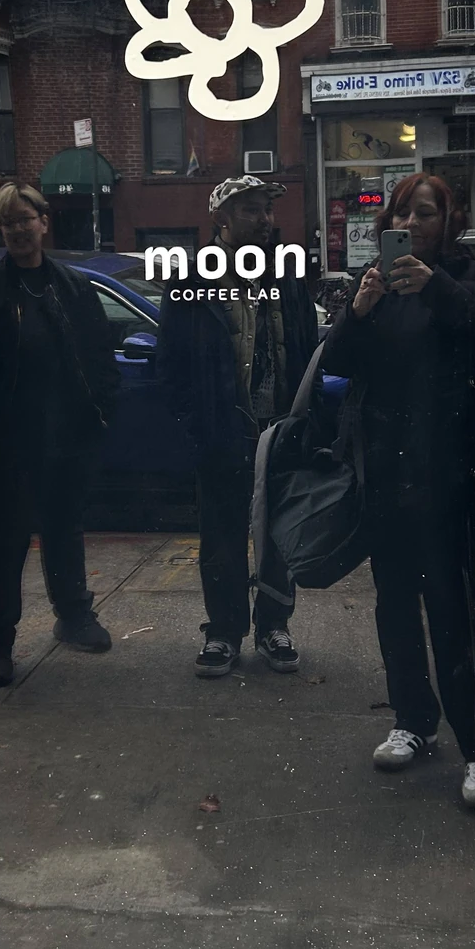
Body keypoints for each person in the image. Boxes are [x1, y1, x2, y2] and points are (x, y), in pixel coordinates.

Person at [321, 173, 475, 809]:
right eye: (402, 214)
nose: (412, 224)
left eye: (425, 214)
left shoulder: (467, 274)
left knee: (452, 609)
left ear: (449, 221)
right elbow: (337, 363)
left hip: (445, 471)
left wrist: (436, 286)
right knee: (393, 604)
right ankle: (413, 721)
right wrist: (358, 311)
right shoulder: (375, 283)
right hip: (386, 472)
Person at [158, 176, 319, 678]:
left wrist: (303, 421)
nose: (265, 219)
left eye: (268, 209)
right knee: (222, 538)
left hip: (279, 432)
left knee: (279, 536)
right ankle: (224, 632)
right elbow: (172, 363)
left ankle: (274, 625)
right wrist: (196, 427)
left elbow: (306, 349)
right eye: (252, 210)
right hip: (223, 433)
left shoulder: (287, 278)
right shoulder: (191, 282)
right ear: (221, 219)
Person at [0, 184, 120, 686]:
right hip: (5, 442)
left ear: (44, 222)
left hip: (66, 436)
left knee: (64, 529)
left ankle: (74, 617)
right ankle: (0, 643)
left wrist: (101, 412)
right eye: (8, 222)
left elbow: (100, 355)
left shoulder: (72, 287)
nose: (17, 230)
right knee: (7, 540)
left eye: (25, 219)